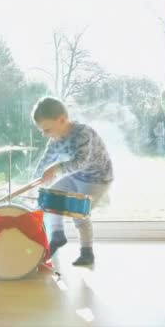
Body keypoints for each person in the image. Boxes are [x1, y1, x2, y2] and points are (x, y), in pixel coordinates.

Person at [32, 97, 113, 266]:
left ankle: (87, 253)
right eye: (42, 131)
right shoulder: (55, 139)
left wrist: (55, 169)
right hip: (77, 176)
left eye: (47, 129)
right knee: (50, 197)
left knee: (79, 212)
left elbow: (81, 162)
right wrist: (37, 179)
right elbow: (46, 160)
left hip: (97, 178)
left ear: (62, 120)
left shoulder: (83, 134)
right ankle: (58, 236)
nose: (45, 134)